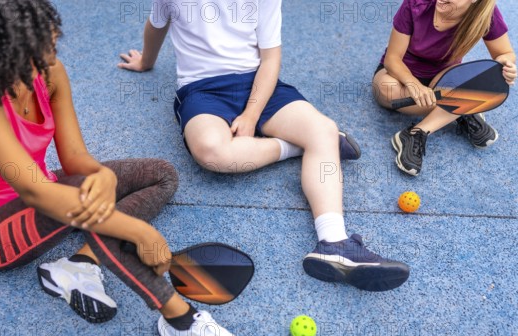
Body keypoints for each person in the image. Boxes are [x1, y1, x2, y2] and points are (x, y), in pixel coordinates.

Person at [0, 0, 256, 336]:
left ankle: (80, 264)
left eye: (50, 40)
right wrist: (135, 229)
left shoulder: (49, 72)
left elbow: (77, 160)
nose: (51, 51)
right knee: (92, 207)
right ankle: (180, 320)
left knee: (161, 175)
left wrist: (104, 176)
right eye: (37, 47)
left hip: (47, 192)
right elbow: (37, 194)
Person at [118, 0, 411, 293]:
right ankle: (295, 146)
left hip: (258, 83)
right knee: (212, 152)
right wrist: (146, 61)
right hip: (201, 89)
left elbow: (270, 60)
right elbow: (157, 24)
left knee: (323, 129)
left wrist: (250, 115)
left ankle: (334, 242)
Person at [373, 0, 516, 176]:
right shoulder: (415, 4)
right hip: (401, 75)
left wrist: (505, 64)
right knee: (386, 90)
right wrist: (414, 85)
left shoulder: (486, 13)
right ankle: (462, 110)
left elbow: (505, 54)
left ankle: (415, 133)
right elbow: (392, 59)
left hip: (444, 77)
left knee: (466, 88)